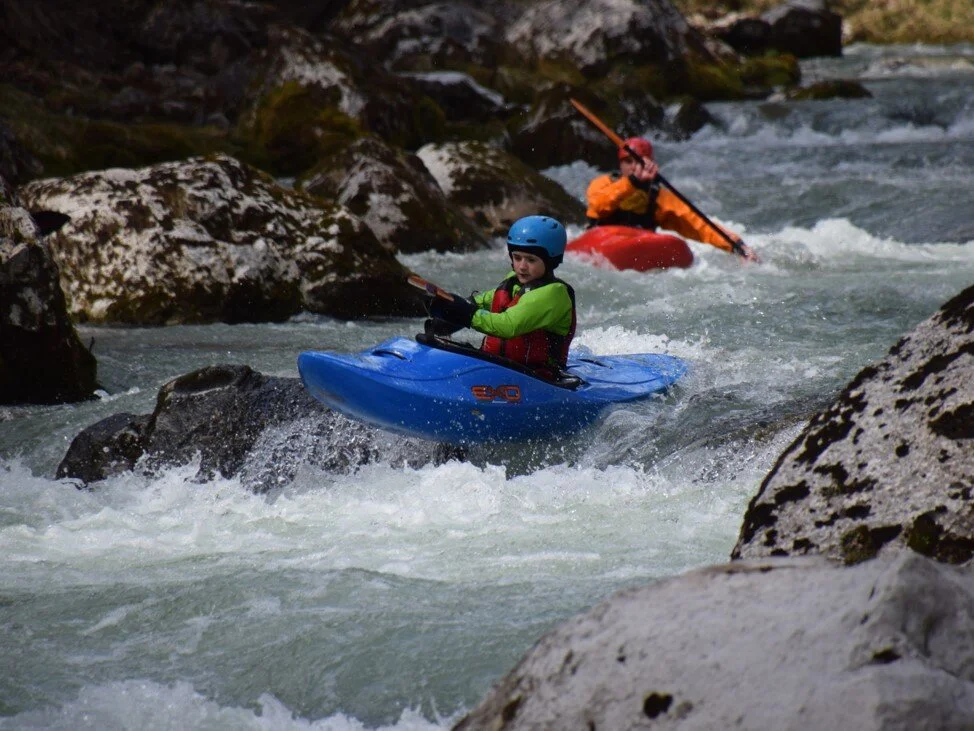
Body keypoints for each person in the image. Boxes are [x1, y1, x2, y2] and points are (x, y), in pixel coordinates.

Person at [424, 215, 576, 379]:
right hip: (500, 367)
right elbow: (483, 301)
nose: (522, 266)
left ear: (551, 261)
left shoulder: (553, 294)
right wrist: (450, 310)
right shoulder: (514, 282)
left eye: (531, 260)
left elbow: (508, 326)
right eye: (517, 257)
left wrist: (467, 314)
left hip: (538, 377)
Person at [586, 137, 758, 261]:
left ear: (650, 163)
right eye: (628, 161)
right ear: (620, 164)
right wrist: (632, 182)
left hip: (638, 249)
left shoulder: (659, 197)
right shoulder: (602, 183)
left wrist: (736, 245)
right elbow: (597, 205)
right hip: (601, 244)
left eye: (638, 161)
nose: (633, 166)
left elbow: (698, 224)